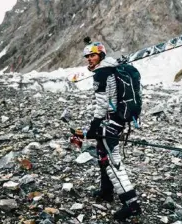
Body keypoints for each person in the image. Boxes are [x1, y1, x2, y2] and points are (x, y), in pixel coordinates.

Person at [71, 38, 142, 221]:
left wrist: (94, 127)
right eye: (87, 56)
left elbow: (101, 105)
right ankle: (106, 192)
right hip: (117, 120)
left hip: (110, 123)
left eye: (92, 55)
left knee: (113, 163)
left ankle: (132, 205)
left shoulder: (102, 73)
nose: (89, 59)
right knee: (102, 156)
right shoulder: (113, 69)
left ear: (101, 55)